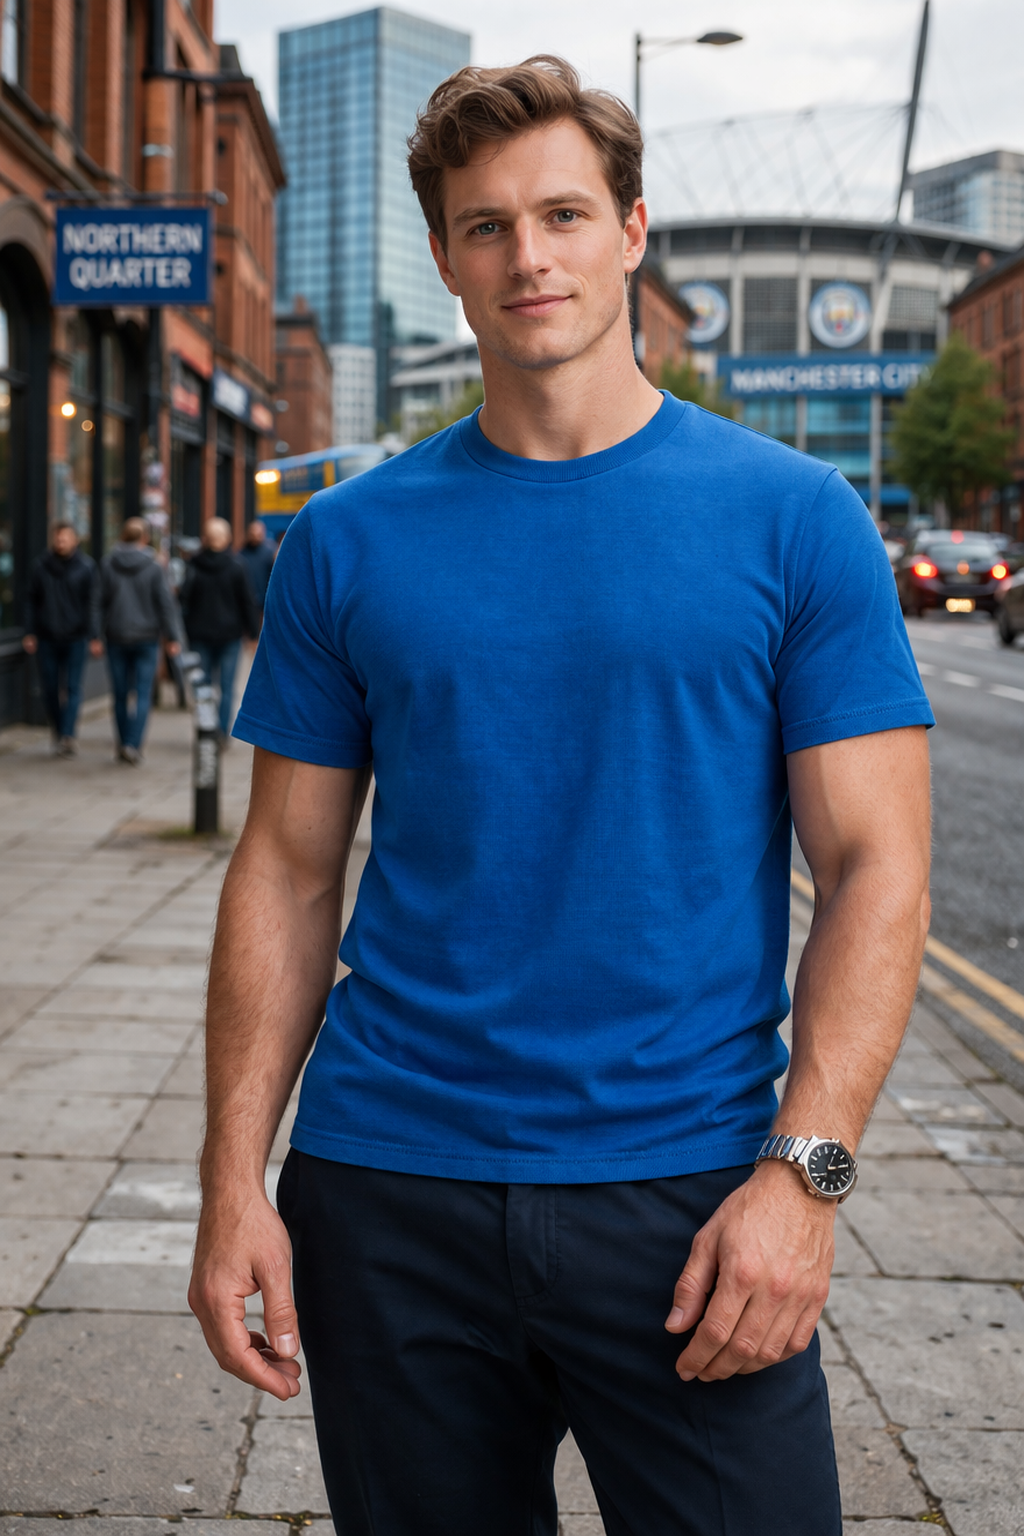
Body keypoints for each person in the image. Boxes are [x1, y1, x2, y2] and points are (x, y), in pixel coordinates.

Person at [190, 58, 934, 1536]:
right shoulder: (345, 542)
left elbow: (879, 870)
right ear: (446, 257)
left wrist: (807, 1181)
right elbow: (282, 869)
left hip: (692, 1194)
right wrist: (232, 1181)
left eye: (564, 215)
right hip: (387, 1187)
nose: (528, 257)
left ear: (634, 231)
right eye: (485, 227)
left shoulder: (798, 521)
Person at [98, 517, 183, 764]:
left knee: (120, 694)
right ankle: (133, 744)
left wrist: (96, 634)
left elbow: (98, 601)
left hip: (116, 635)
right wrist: (172, 637)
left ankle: (123, 742)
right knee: (143, 693)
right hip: (146, 637)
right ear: (144, 538)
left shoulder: (107, 563)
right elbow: (165, 604)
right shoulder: (154, 566)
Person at [22, 522, 100, 756]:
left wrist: (94, 635)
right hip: (47, 636)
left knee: (73, 687)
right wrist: (30, 632)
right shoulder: (40, 567)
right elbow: (30, 601)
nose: (61, 542)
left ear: (75, 540)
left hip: (76, 637)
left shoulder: (86, 567)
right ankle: (59, 729)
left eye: (65, 538)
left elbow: (92, 604)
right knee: (50, 688)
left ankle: (67, 734)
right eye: (58, 538)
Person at [180, 517, 259, 739]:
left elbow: (184, 599)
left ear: (205, 539)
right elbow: (247, 601)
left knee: (202, 687)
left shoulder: (193, 565)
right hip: (230, 635)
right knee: (226, 686)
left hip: (199, 634)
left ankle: (205, 729)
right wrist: (253, 633)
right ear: (227, 538)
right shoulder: (237, 565)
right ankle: (222, 731)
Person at [238, 520, 277, 627]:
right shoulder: (241, 555)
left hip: (265, 599)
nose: (255, 537)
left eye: (258, 534)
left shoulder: (270, 553)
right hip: (247, 600)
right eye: (253, 534)